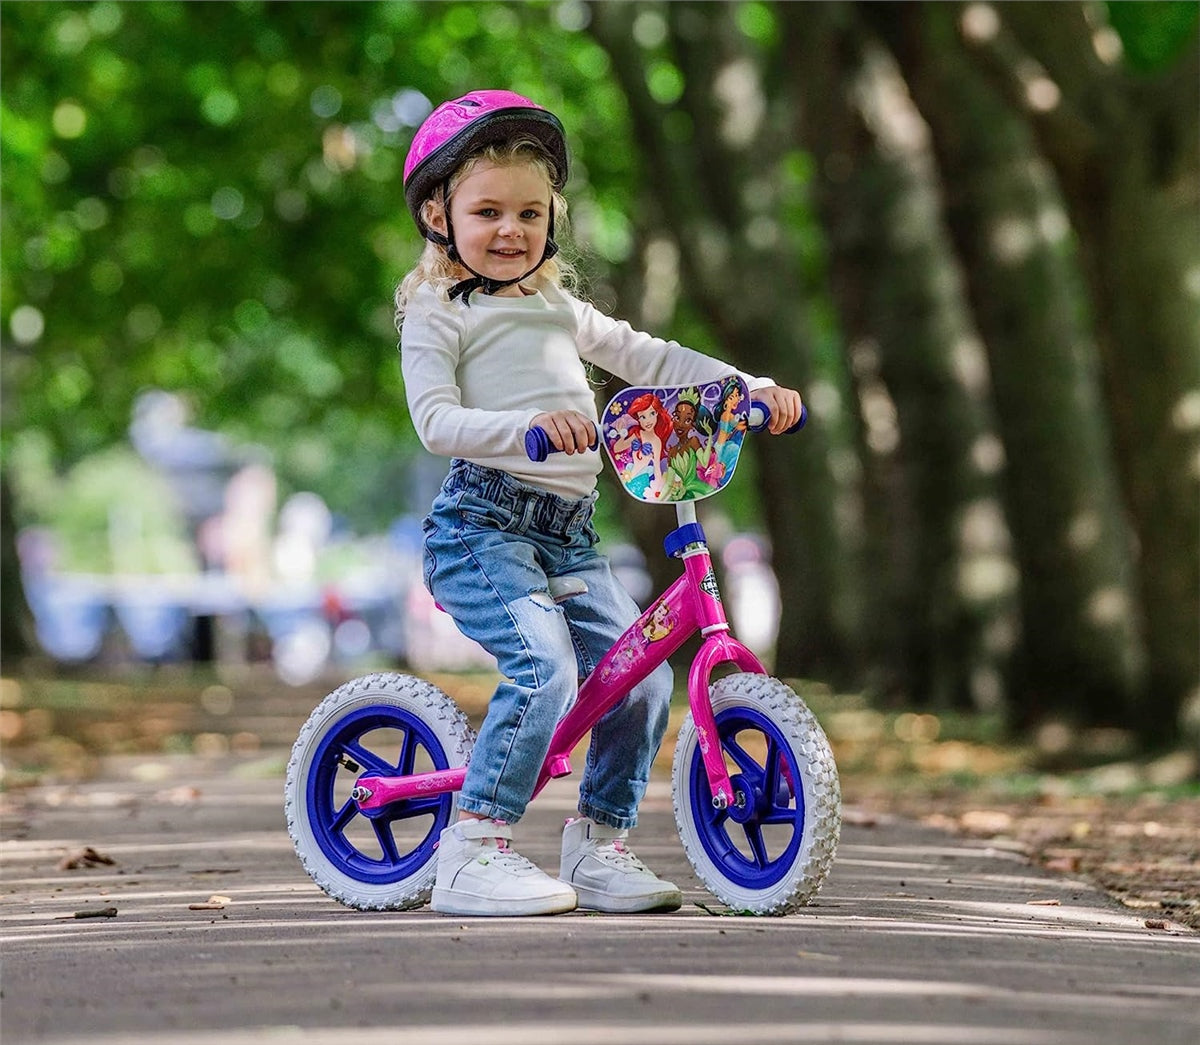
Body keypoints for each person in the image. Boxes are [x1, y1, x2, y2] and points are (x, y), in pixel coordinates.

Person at [396, 89, 804, 917]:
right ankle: (473, 847)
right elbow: (436, 421)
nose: (509, 229)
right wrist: (527, 432)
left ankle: (598, 844)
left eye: (528, 212)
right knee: (545, 667)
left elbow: (649, 355)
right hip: (483, 524)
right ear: (439, 213)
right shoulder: (437, 312)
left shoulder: (557, 307)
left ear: (553, 218)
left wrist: (743, 388)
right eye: (487, 211)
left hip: (568, 534)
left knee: (642, 678)